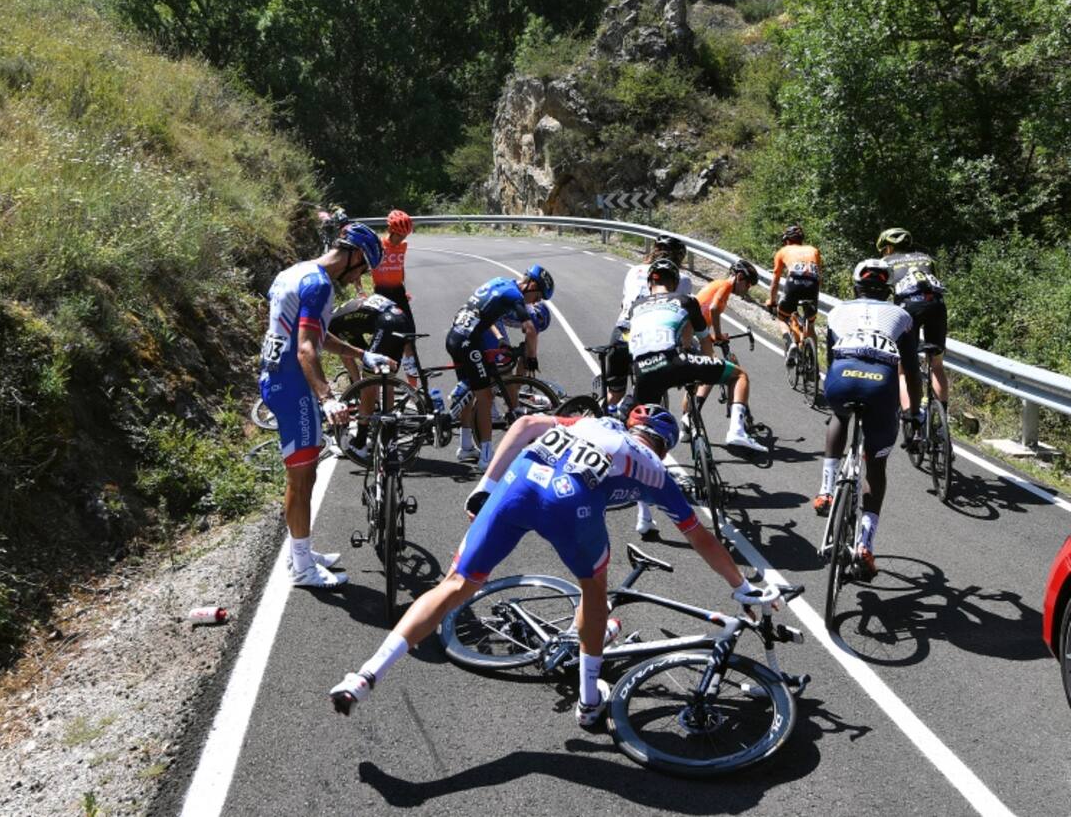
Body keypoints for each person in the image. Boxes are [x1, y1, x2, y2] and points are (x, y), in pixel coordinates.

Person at [329, 405, 768, 725]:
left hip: (521, 479)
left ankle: (364, 676)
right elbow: (700, 536)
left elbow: (524, 424)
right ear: (663, 444)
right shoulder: (655, 470)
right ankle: (588, 700)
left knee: (455, 584)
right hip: (569, 502)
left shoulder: (592, 421)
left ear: (632, 424)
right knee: (594, 590)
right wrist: (739, 585)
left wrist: (485, 486)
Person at [258, 223, 396, 588]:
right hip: (293, 386)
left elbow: (317, 335)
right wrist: (328, 397)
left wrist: (363, 354)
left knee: (306, 473)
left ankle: (299, 552)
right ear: (353, 256)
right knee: (301, 478)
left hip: (278, 379)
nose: (360, 277)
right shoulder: (319, 286)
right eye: (363, 267)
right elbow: (306, 348)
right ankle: (302, 568)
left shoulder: (296, 272)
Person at [813, 259, 920, 580]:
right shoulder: (902, 315)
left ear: (854, 287)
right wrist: (913, 413)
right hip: (881, 383)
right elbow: (912, 371)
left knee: (839, 414)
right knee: (875, 464)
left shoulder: (836, 312)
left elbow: (831, 358)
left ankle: (826, 489)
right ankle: (864, 544)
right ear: (888, 291)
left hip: (840, 377)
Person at [629, 257, 766, 486]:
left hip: (642, 369)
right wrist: (708, 355)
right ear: (674, 283)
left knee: (643, 429)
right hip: (676, 357)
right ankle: (736, 431)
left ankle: (644, 487)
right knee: (737, 374)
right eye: (748, 284)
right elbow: (708, 319)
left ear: (650, 284)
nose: (747, 289)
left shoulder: (637, 306)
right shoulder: (687, 298)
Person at [446, 265, 554, 470]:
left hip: (456, 335)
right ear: (531, 285)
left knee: (468, 391)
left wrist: (500, 339)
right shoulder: (515, 296)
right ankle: (487, 458)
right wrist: (531, 358)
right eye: (538, 296)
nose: (536, 301)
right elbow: (530, 329)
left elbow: (486, 316)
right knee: (484, 397)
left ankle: (466, 446)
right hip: (469, 342)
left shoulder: (500, 282)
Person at [605, 233, 692, 408]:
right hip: (649, 337)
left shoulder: (633, 271)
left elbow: (624, 304)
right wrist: (686, 347)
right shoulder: (681, 279)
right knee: (649, 391)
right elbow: (682, 315)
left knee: (615, 394)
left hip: (621, 333)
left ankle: (596, 416)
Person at [876, 227, 948, 437]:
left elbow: (882, 295)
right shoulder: (927, 258)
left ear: (888, 247)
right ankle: (942, 423)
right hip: (936, 305)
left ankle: (912, 418)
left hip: (908, 309)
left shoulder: (885, 263)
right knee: (936, 364)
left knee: (903, 368)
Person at [327, 292, 413, 459]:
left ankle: (359, 444)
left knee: (368, 385)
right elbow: (362, 350)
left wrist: (358, 385)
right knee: (387, 380)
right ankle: (388, 440)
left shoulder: (332, 327)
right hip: (401, 318)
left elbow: (347, 355)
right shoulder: (341, 316)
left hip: (386, 323)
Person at [364, 209, 421, 387]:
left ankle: (413, 389)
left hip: (398, 292)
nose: (402, 239)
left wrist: (403, 289)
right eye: (399, 235)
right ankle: (378, 379)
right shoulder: (378, 246)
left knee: (409, 338)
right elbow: (361, 267)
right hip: (381, 293)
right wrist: (360, 291)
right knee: (388, 337)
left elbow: (400, 267)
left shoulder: (403, 247)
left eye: (405, 235)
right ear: (391, 231)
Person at [766, 225, 822, 364]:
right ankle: (812, 362)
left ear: (787, 241)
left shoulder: (783, 251)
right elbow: (818, 277)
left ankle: (790, 343)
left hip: (794, 283)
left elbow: (775, 281)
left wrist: (772, 301)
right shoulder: (814, 250)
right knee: (810, 324)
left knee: (782, 317)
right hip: (812, 286)